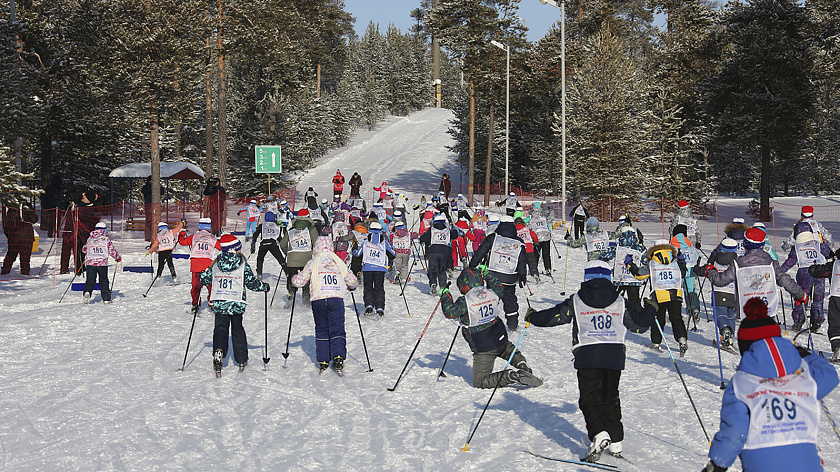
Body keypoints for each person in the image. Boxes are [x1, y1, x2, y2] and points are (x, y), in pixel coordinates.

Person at [526, 260, 656, 462]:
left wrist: (533, 317)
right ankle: (616, 441)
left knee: (589, 398)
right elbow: (639, 326)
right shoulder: (620, 301)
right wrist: (651, 308)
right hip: (614, 354)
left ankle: (599, 433)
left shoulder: (577, 300)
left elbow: (555, 316)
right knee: (610, 397)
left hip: (588, 354)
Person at [703, 297, 838, 472]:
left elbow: (734, 432)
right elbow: (829, 374)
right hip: (807, 465)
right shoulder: (805, 374)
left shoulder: (741, 384)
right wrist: (801, 353)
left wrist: (717, 464)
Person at [440, 267, 542, 388]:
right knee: (508, 349)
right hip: (500, 336)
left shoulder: (465, 301)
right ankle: (521, 363)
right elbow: (499, 286)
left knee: (480, 381)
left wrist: (446, 294)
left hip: (484, 345)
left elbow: (450, 312)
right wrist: (487, 273)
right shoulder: (491, 293)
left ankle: (511, 376)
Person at [703, 227, 806, 324]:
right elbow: (785, 280)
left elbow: (720, 280)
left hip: (747, 312)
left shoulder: (738, 263)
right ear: (762, 245)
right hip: (767, 310)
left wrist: (710, 271)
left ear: (745, 245)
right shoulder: (770, 263)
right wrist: (800, 295)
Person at [200, 234, 270, 375]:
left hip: (220, 302)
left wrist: (204, 273)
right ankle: (241, 359)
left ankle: (219, 350)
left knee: (220, 328)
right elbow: (251, 283)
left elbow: (205, 280)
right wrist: (263, 287)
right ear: (234, 249)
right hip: (236, 303)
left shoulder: (216, 263)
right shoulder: (242, 263)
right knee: (237, 330)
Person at [292, 236, 358, 372]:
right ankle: (338, 356)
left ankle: (323, 359)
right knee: (337, 327)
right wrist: (352, 287)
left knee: (322, 328)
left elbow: (299, 282)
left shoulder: (313, 262)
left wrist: (294, 278)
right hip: (336, 298)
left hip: (318, 299)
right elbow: (352, 280)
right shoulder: (338, 261)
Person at [626, 239, 691, 354]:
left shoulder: (652, 263)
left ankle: (656, 342)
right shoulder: (674, 262)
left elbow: (639, 275)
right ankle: (682, 340)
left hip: (659, 294)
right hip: (675, 293)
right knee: (676, 317)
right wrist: (682, 262)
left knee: (658, 318)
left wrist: (629, 264)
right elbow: (683, 273)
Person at [469, 215, 528, 331]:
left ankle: (489, 322)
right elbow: (522, 260)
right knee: (510, 300)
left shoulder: (493, 238)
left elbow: (480, 252)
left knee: (492, 299)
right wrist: (522, 275)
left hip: (493, 275)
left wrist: (472, 266)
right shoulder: (519, 242)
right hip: (510, 277)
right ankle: (512, 324)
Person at [779, 223, 832, 332]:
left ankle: (798, 321)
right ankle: (817, 319)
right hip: (819, 272)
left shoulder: (797, 247)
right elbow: (829, 254)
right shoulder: (819, 244)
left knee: (802, 296)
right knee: (818, 298)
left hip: (804, 273)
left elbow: (790, 262)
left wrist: (780, 271)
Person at [178, 217, 221, 315]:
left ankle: (195, 303)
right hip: (208, 265)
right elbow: (221, 247)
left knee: (196, 286)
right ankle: (212, 303)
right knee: (211, 286)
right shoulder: (212, 238)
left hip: (196, 265)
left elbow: (182, 242)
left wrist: (182, 232)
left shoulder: (194, 236)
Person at [354, 221, 395, 316]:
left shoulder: (365, 241)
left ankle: (369, 305)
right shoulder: (384, 242)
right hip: (380, 268)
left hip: (367, 268)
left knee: (368, 287)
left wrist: (354, 251)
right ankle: (380, 306)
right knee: (379, 288)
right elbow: (392, 254)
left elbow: (358, 253)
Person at [279, 208, 319, 303]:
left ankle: (291, 292)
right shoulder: (311, 229)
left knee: (292, 277)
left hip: (292, 259)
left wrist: (288, 253)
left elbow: (282, 244)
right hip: (306, 258)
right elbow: (317, 243)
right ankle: (306, 298)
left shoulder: (291, 230)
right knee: (306, 279)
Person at [808, 249, 840, 361]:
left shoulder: (834, 265)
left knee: (836, 325)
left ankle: (838, 349)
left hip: (837, 298)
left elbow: (815, 271)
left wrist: (813, 267)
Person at [709, 238, 740, 350]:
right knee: (731, 314)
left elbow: (708, 268)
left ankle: (724, 329)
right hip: (733, 292)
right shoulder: (737, 262)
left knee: (720, 313)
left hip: (718, 291)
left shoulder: (716, 259)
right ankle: (730, 338)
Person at [81, 222, 122, 304]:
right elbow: (111, 250)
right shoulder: (106, 239)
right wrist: (117, 257)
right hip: (102, 263)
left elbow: (84, 249)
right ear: (104, 229)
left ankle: (87, 292)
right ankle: (106, 298)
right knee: (103, 280)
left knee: (90, 280)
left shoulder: (90, 238)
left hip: (91, 263)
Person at [60, 190, 99, 275]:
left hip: (81, 233)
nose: (82, 197)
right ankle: (63, 269)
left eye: (84, 196)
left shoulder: (90, 208)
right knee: (65, 250)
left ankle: (79, 268)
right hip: (69, 230)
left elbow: (85, 217)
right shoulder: (79, 204)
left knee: (79, 251)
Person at [419, 214, 457, 295]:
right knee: (442, 270)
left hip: (433, 250)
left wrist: (421, 238)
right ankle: (443, 286)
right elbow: (454, 236)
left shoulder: (432, 229)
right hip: (444, 251)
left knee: (432, 269)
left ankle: (433, 283)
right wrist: (454, 229)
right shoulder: (447, 229)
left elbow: (425, 238)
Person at [671, 224, 701, 321]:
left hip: (678, 272)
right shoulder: (689, 245)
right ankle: (694, 308)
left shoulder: (672, 245)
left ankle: (676, 311)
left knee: (676, 291)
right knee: (691, 290)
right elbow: (697, 256)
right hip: (691, 271)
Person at [2, 203, 39, 276]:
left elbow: (34, 219)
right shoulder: (9, 206)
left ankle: (25, 275)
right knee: (10, 257)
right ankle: (4, 274)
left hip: (27, 237)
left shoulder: (26, 205)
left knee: (25, 259)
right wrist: (9, 235)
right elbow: (5, 223)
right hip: (14, 237)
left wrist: (28, 212)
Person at [249, 211, 287, 280]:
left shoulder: (262, 225)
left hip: (263, 244)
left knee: (260, 259)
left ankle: (259, 274)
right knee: (281, 259)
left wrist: (253, 244)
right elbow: (279, 237)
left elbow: (255, 235)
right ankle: (287, 273)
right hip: (273, 244)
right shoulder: (276, 226)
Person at [529, 205, 553, 276]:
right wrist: (551, 211)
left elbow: (529, 230)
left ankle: (534, 269)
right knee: (546, 254)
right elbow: (550, 219)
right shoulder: (544, 218)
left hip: (537, 239)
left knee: (536, 255)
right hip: (546, 237)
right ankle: (548, 269)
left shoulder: (531, 220)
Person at [390, 220, 414, 285]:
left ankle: (397, 275)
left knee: (397, 265)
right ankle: (404, 278)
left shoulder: (393, 235)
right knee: (405, 265)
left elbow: (390, 243)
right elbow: (416, 235)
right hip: (406, 252)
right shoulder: (408, 233)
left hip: (397, 252)